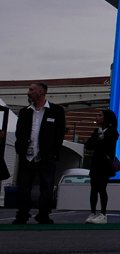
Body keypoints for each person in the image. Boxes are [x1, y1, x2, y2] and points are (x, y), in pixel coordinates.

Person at [12, 82, 66, 225]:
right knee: (23, 186)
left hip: (46, 157)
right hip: (27, 156)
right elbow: (19, 133)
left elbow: (59, 134)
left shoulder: (56, 111)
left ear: (41, 92)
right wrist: (20, 149)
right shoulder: (25, 112)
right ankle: (22, 214)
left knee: (46, 186)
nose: (28, 92)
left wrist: (53, 153)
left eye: (31, 90)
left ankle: (44, 214)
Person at [84, 109, 119, 224]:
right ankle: (92, 212)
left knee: (102, 188)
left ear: (106, 118)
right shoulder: (97, 131)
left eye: (100, 115)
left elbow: (106, 145)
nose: (97, 117)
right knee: (93, 188)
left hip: (105, 164)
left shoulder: (113, 131)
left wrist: (98, 141)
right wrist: (98, 140)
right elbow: (88, 145)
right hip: (95, 163)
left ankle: (103, 214)